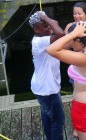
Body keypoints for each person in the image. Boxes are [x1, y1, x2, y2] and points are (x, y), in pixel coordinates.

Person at [47, 21, 86, 140]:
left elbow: (51, 50)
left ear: (78, 39)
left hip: (85, 108)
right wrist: (74, 34)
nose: (71, 44)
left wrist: (73, 33)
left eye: (73, 40)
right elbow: (64, 46)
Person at [29, 11, 65, 140]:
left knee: (48, 116)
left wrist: (49, 22)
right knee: (58, 121)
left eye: (48, 25)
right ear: (36, 29)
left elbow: (58, 32)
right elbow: (60, 34)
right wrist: (45, 17)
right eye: (44, 26)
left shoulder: (45, 40)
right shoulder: (40, 42)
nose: (48, 27)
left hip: (42, 87)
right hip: (47, 89)